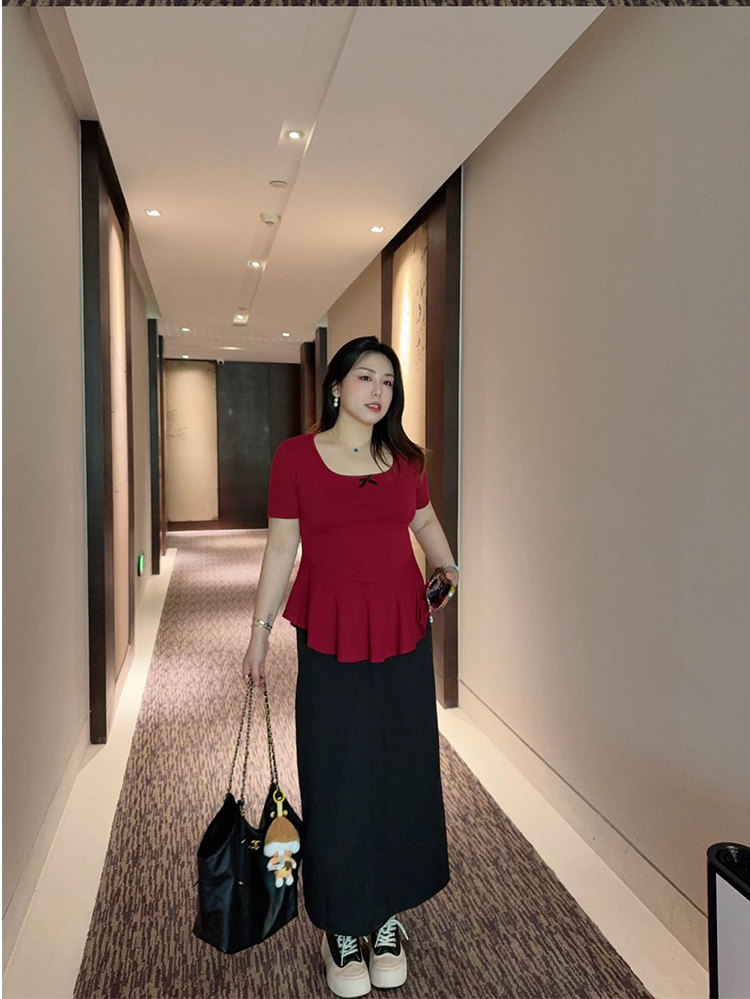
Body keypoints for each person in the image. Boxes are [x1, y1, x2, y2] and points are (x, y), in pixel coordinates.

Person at [242, 335, 459, 998]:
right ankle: (342, 923)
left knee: (402, 768)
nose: (378, 391)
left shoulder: (406, 460)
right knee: (337, 771)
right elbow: (281, 547)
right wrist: (258, 633)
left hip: (401, 633)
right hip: (331, 635)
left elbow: (424, 521)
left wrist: (448, 567)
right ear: (336, 385)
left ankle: (386, 912)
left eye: (388, 381)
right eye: (366, 377)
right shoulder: (296, 457)